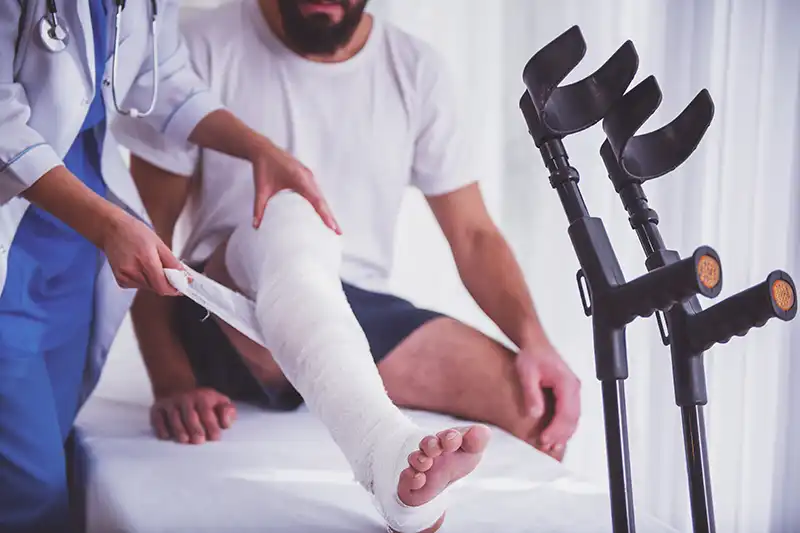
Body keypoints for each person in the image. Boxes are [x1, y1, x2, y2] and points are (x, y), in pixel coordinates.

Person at [120, 0, 581, 470]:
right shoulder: (196, 47)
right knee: (289, 218)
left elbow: (473, 234)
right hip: (228, 310)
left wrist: (535, 342)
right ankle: (382, 449)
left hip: (353, 311)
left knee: (535, 408)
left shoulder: (415, 70)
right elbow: (144, 229)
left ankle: (408, 495)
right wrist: (172, 382)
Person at [0, 2, 338, 532]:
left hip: (71, 256)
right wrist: (109, 226)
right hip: (20, 246)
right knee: (30, 492)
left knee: (53, 449)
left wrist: (259, 149)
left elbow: (165, 80)